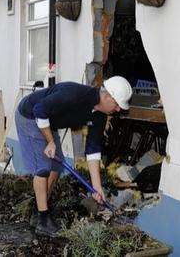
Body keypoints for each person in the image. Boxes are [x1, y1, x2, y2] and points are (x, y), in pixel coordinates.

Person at [15, 76, 132, 237]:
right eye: (117, 104)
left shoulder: (100, 115)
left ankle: (38, 211)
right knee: (43, 167)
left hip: (48, 122)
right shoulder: (74, 95)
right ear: (107, 96)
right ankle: (43, 219)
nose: (118, 109)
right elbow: (39, 110)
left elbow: (93, 150)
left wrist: (96, 186)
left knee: (57, 166)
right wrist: (50, 142)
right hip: (30, 115)